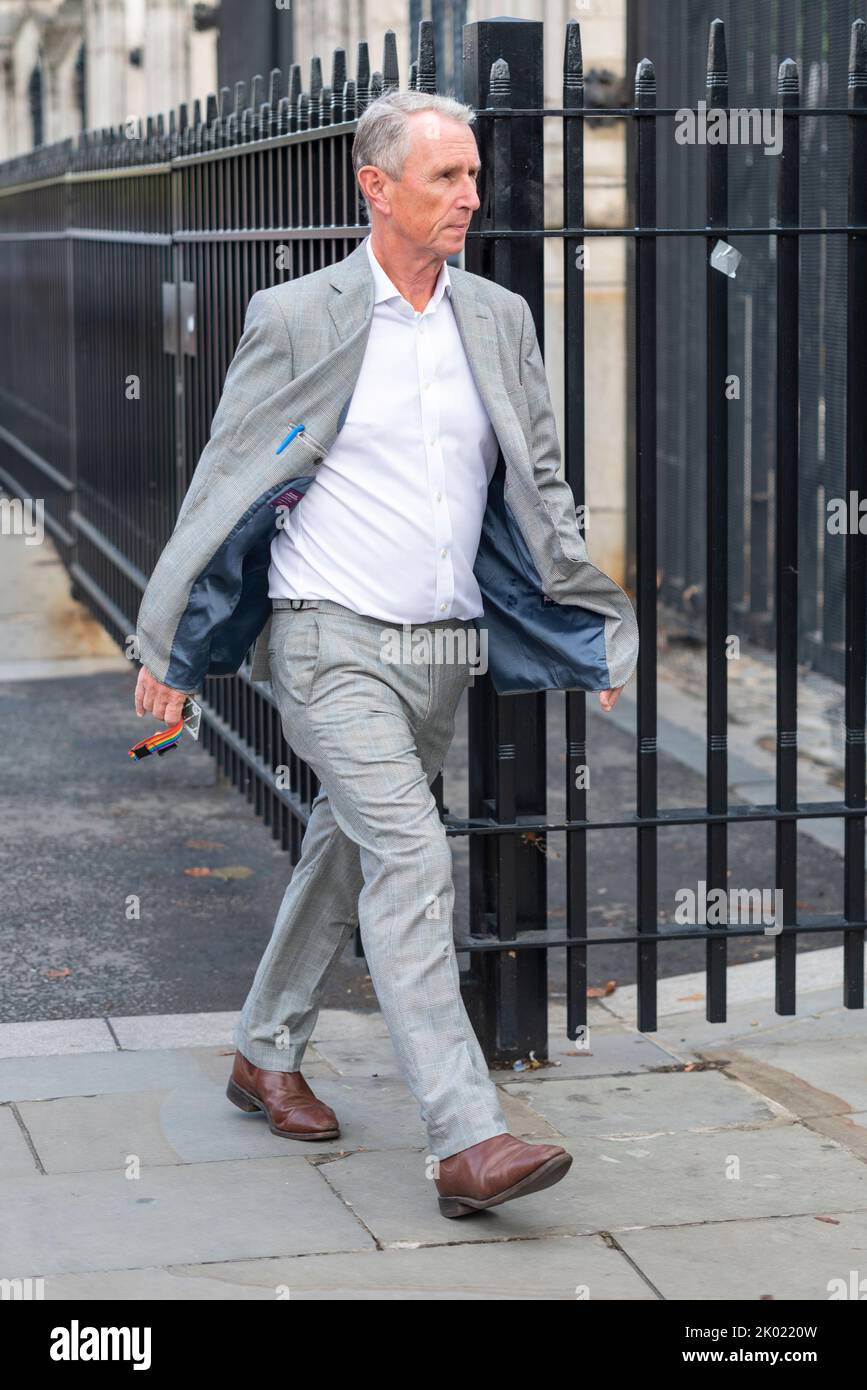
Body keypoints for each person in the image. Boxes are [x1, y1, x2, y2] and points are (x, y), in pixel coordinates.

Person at [134, 90, 638, 1219]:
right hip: (326, 640)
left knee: (347, 846)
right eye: (447, 178)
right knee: (411, 853)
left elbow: (540, 488)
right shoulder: (298, 314)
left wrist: (588, 616)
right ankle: (468, 1137)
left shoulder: (499, 318)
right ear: (377, 187)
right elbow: (226, 480)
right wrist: (166, 640)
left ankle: (264, 1049)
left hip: (442, 651)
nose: (471, 195)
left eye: (472, 176)